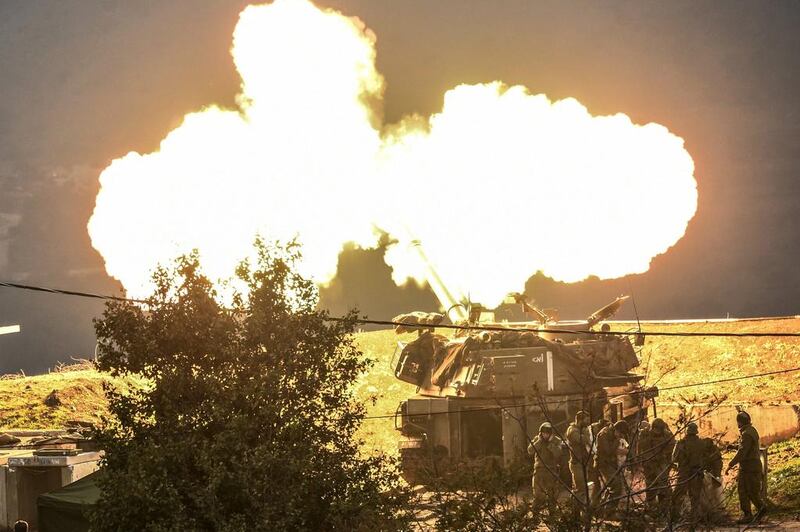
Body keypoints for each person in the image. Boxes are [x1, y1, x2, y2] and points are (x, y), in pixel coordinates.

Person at [726, 411, 767, 524]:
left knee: (747, 491)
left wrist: (730, 464)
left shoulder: (746, 434)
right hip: (750, 467)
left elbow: (743, 452)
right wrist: (734, 446)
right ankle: (756, 511)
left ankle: (752, 513)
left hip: (749, 467)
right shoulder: (750, 431)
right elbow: (746, 447)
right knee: (748, 491)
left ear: (739, 422)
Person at [638, 417, 674, 513]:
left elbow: (672, 448)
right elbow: (641, 447)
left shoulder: (667, 434)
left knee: (663, 484)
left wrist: (665, 458)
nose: (657, 432)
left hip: (662, 462)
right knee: (650, 485)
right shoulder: (645, 434)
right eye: (655, 430)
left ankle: (663, 508)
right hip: (649, 463)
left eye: (659, 430)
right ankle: (650, 506)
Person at [671, 422, 705, 522]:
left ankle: (675, 516)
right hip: (697, 472)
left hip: (684, 473)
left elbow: (674, 459)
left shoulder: (681, 443)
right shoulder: (701, 443)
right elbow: (705, 458)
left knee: (678, 495)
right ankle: (694, 517)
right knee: (695, 497)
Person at [594, 420, 628, 514]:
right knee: (616, 485)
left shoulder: (612, 434)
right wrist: (617, 442)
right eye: (620, 434)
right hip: (603, 464)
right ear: (616, 430)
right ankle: (609, 512)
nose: (621, 436)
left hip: (611, 464)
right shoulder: (603, 434)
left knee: (611, 488)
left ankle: (603, 509)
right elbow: (608, 451)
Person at [528, 422, 563, 510]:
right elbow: (530, 450)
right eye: (543, 433)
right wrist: (539, 441)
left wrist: (551, 444)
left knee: (552, 495)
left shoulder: (557, 440)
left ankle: (552, 516)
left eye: (547, 433)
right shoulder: (537, 439)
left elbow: (558, 453)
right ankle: (535, 516)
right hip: (539, 471)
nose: (545, 435)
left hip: (552, 471)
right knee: (538, 495)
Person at [565, 411, 592, 504]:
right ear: (580, 420)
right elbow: (581, 439)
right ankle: (576, 512)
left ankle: (578, 510)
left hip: (584, 463)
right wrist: (586, 434)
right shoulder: (572, 430)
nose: (588, 422)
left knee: (583, 489)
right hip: (576, 464)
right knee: (580, 489)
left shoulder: (582, 430)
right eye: (586, 420)